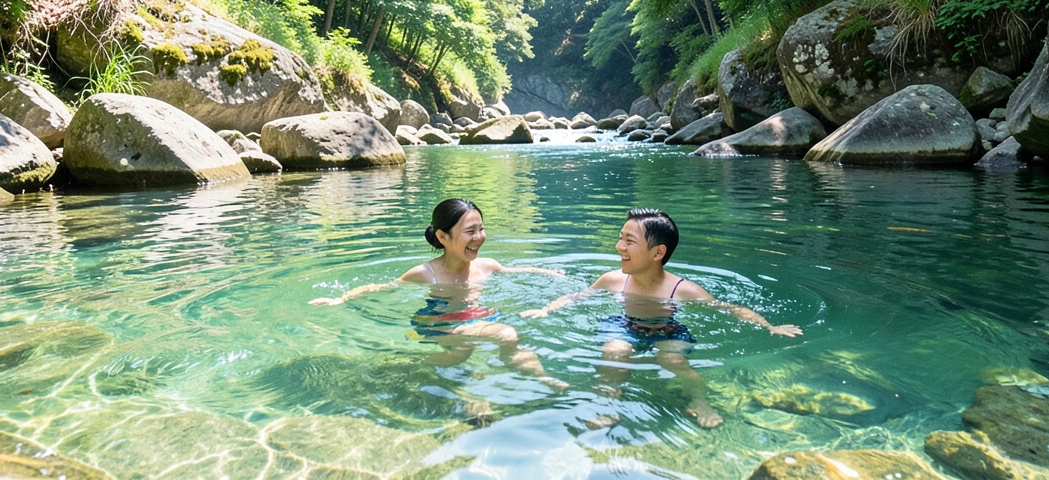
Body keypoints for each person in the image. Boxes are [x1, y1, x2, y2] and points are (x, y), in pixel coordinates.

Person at [520, 208, 802, 428]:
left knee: (674, 360)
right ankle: (607, 403)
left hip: (667, 328)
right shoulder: (612, 280)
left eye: (629, 241)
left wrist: (768, 325)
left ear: (658, 252)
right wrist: (547, 309)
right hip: (624, 325)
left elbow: (730, 308)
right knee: (615, 352)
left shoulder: (682, 289)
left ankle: (699, 400)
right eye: (621, 237)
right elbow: (576, 297)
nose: (619, 246)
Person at [310, 198, 568, 391]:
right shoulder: (426, 274)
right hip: (438, 322)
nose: (479, 237)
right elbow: (383, 287)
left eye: (481, 229)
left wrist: (547, 273)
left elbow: (515, 271)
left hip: (474, 317)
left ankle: (410, 368)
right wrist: (341, 298)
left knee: (459, 355)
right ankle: (545, 380)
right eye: (470, 231)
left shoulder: (487, 266)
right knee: (506, 334)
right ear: (443, 236)